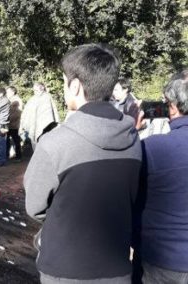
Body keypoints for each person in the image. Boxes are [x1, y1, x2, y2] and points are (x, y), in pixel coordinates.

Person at [24, 44, 142, 284]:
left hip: (64, 269)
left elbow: (34, 207)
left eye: (65, 81)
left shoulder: (54, 142)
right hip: (117, 267)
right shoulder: (133, 138)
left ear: (75, 85)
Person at [135, 70, 188, 283]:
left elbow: (126, 191)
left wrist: (130, 131)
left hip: (162, 261)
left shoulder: (152, 148)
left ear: (173, 107)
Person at [20, 83, 60, 150]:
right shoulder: (32, 99)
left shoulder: (47, 97)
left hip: (46, 128)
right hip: (33, 126)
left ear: (42, 88)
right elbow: (26, 113)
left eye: (36, 90)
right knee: (35, 147)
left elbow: (49, 114)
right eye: (34, 90)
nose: (35, 91)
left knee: (44, 147)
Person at [6, 86, 23, 161]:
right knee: (6, 140)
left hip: (15, 124)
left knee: (16, 140)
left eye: (8, 92)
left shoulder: (17, 100)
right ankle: (7, 155)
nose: (7, 93)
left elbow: (18, 113)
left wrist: (9, 119)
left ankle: (18, 156)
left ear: (13, 92)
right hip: (8, 123)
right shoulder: (8, 99)